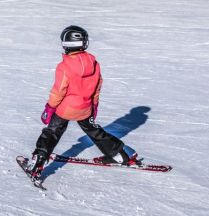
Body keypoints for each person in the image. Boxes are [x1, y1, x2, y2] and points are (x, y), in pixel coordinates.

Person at [25, 26, 139, 180]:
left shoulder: (64, 67)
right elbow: (98, 86)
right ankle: (119, 155)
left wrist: (50, 107)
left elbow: (59, 91)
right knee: (95, 131)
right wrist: (94, 105)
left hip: (65, 109)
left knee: (52, 132)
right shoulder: (94, 64)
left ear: (66, 44)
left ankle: (37, 163)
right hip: (85, 108)